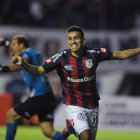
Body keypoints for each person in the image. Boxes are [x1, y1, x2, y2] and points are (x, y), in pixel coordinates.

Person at [11, 26, 140, 140]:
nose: (73, 41)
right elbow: (38, 71)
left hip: (92, 104)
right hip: (74, 104)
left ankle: (71, 128)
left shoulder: (94, 54)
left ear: (83, 40)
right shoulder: (61, 58)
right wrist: (23, 64)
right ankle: (73, 127)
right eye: (70, 39)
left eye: (76, 38)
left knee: (88, 138)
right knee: (85, 135)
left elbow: (120, 55)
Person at [0, 35, 68, 140]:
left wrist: (4, 68)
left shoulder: (26, 54)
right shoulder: (34, 53)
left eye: (14, 44)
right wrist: (6, 43)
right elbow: (21, 59)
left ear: (21, 45)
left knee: (11, 115)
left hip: (39, 96)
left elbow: (21, 64)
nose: (12, 46)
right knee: (48, 131)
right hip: (48, 96)